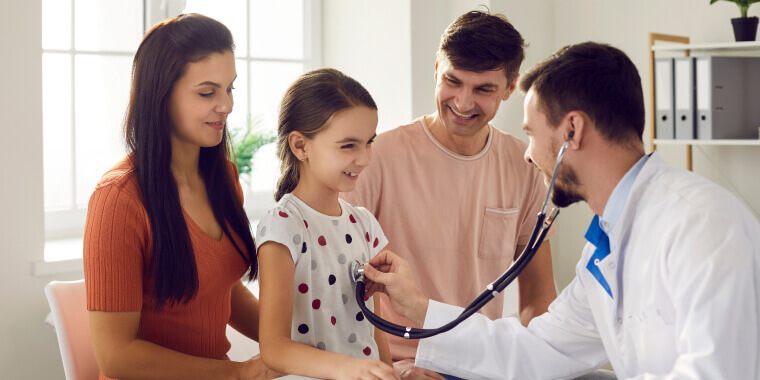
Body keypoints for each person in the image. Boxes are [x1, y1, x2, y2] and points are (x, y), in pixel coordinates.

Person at [360, 41, 760, 379]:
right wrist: (421, 310)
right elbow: (535, 349)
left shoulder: (702, 224)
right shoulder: (605, 247)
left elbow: (717, 370)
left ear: (572, 131)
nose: (529, 155)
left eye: (532, 134)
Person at [341, 10, 558, 378]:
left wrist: (537, 364)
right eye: (453, 81)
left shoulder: (525, 167)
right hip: (394, 362)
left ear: (510, 87)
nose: (462, 102)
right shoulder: (376, 157)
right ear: (437, 68)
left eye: (483, 89)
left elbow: (538, 298)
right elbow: (337, 287)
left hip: (482, 362)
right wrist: (386, 367)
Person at [83, 14, 277, 380]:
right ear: (161, 94)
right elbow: (116, 357)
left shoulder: (224, 177)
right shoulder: (118, 200)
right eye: (207, 92)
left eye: (229, 88)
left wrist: (297, 339)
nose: (227, 106)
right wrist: (238, 373)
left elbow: (224, 291)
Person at [255, 68, 398, 380]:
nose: (364, 159)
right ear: (300, 146)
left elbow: (374, 329)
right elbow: (274, 349)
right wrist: (353, 369)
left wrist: (390, 374)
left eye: (368, 142)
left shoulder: (364, 224)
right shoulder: (283, 226)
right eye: (348, 145)